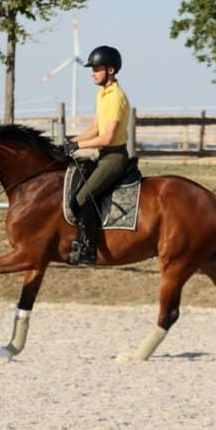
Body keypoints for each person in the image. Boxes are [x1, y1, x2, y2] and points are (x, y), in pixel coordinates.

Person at [62, 45, 130, 266]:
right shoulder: (103, 93)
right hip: (103, 155)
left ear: (111, 70)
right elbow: (95, 127)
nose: (92, 73)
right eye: (92, 69)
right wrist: (71, 143)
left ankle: (89, 249)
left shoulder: (115, 97)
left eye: (97, 69)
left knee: (83, 198)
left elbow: (108, 137)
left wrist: (79, 144)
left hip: (114, 157)